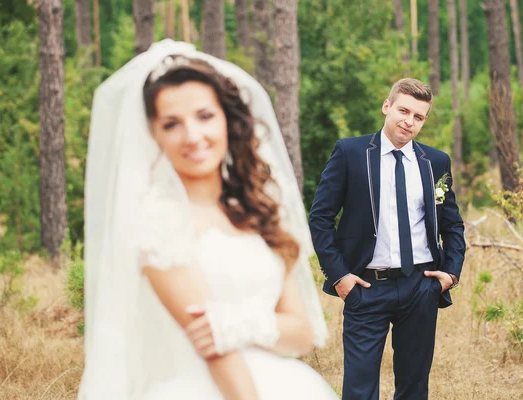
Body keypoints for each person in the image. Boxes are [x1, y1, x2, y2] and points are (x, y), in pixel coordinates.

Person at [79, 39, 336, 400]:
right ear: (153, 135)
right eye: (172, 124)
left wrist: (242, 325)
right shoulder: (157, 221)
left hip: (282, 384)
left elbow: (304, 332)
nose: (193, 136)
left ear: (228, 120)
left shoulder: (256, 211)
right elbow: (217, 354)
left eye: (204, 116)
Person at [309, 78, 466, 400]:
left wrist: (450, 273)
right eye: (403, 111)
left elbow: (452, 225)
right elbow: (320, 217)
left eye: (418, 117)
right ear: (387, 106)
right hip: (366, 287)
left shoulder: (435, 162)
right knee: (359, 388)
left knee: (413, 386)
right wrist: (339, 276)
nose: (409, 121)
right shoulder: (350, 152)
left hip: (421, 285)